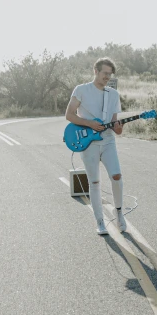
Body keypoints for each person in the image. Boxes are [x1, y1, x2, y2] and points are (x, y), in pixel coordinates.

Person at [65, 57, 127, 235]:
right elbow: (69, 115)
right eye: (105, 73)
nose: (107, 77)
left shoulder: (113, 95)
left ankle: (119, 213)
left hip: (108, 141)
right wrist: (90, 124)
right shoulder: (81, 90)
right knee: (94, 182)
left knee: (117, 176)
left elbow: (116, 127)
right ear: (96, 71)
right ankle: (100, 221)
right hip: (89, 143)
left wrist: (119, 127)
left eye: (110, 74)